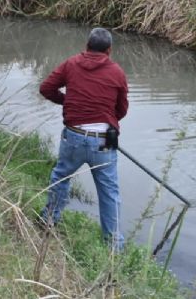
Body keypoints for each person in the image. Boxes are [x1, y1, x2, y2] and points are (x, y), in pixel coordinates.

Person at [39, 27, 129, 250]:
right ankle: (113, 247)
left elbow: (46, 88)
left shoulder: (71, 64)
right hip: (105, 137)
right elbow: (122, 109)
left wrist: (69, 102)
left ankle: (49, 222)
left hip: (74, 136)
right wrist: (105, 117)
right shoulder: (117, 72)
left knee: (60, 178)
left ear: (87, 45)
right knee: (110, 191)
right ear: (109, 50)